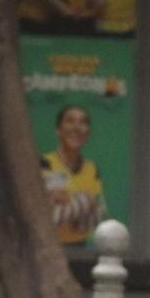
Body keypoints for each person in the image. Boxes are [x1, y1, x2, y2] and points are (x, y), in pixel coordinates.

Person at [42, 105, 107, 245]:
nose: (77, 128)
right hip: (48, 248)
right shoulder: (44, 164)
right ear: (59, 130)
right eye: (70, 121)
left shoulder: (91, 169)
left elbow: (99, 217)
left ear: (88, 132)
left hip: (80, 248)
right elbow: (50, 216)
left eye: (83, 122)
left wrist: (66, 203)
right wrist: (86, 201)